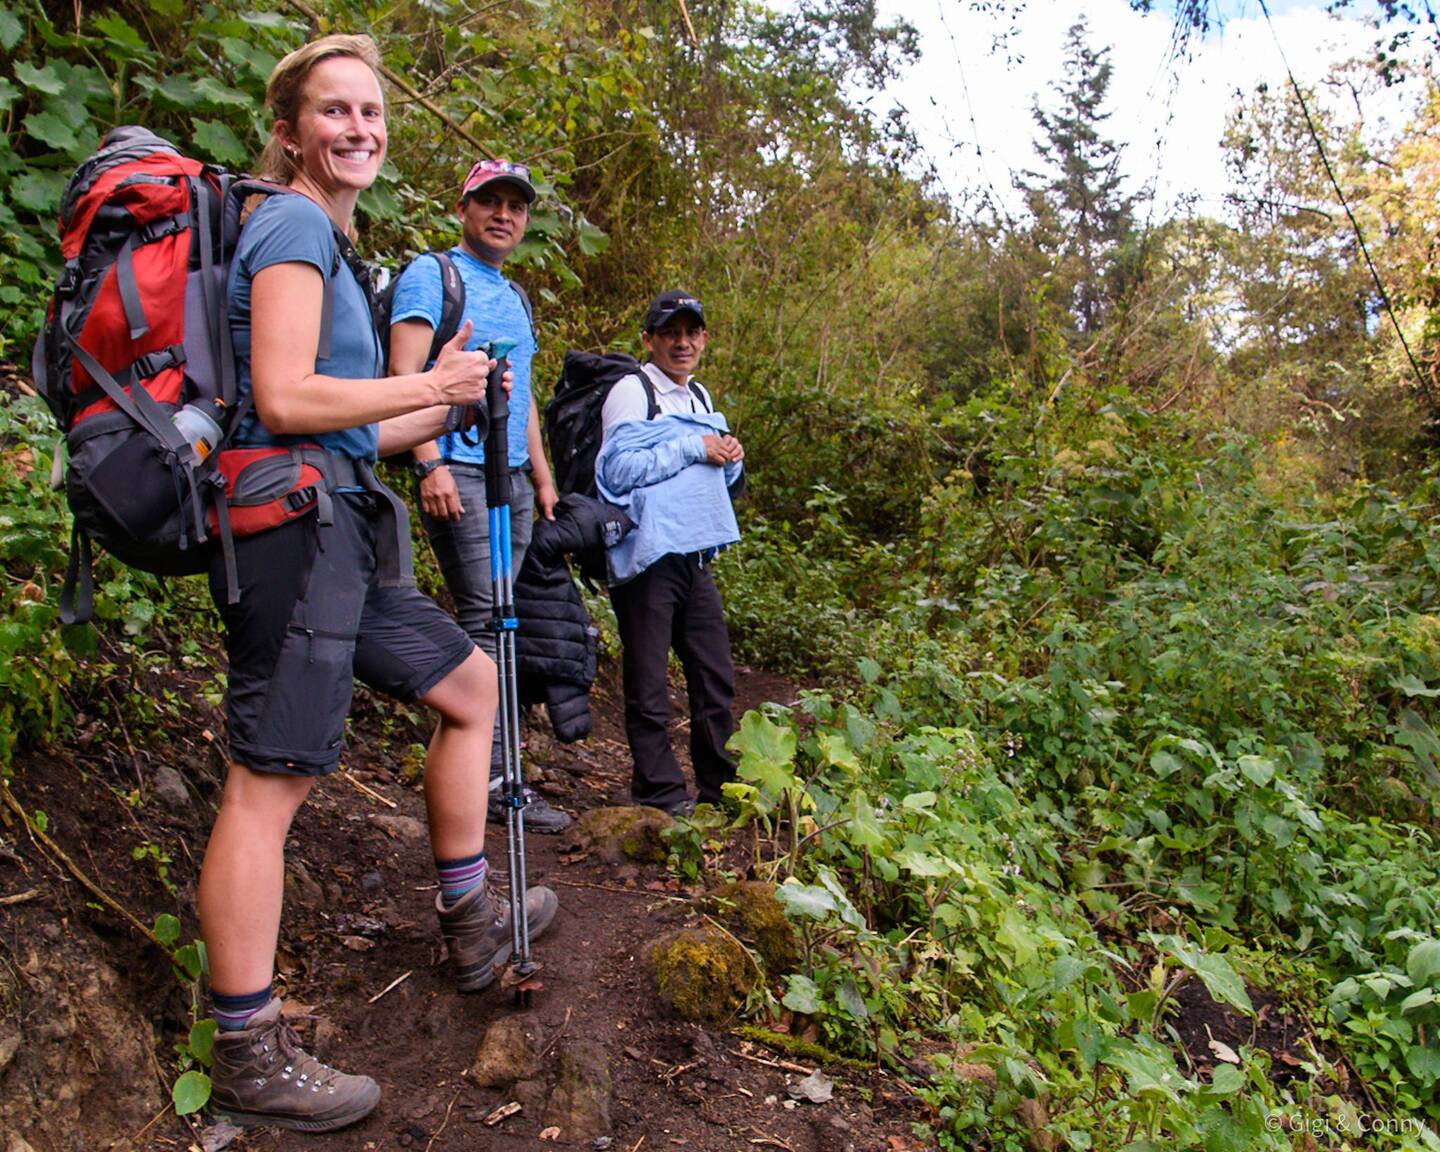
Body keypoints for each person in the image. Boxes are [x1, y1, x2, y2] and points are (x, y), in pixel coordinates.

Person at [199, 35, 558, 1134]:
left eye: (371, 111)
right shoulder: (294, 222)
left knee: (465, 686)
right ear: (294, 127)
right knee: (271, 782)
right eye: (335, 112)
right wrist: (428, 388)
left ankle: (468, 926)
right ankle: (246, 1047)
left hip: (343, 521)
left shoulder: (332, 240)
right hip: (292, 529)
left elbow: (370, 421)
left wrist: (450, 398)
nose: (358, 128)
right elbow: (285, 397)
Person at [387, 157, 571, 834]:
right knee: (483, 623)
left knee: (502, 621)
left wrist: (541, 475)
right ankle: (488, 781)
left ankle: (498, 773)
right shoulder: (432, 276)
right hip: (458, 470)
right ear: (462, 209)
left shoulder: (516, 297)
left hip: (511, 478)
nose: (503, 215)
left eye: (515, 206)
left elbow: (517, 395)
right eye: (489, 202)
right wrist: (428, 462)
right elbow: (403, 375)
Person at [595, 291, 745, 817]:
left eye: (691, 332)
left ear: (703, 338)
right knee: (648, 681)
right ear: (649, 340)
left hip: (693, 555)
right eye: (670, 333)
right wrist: (694, 447)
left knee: (714, 675)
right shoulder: (631, 393)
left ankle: (719, 788)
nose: (682, 342)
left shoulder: (700, 397)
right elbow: (614, 474)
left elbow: (714, 483)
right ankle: (658, 794)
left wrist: (728, 459)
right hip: (644, 557)